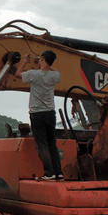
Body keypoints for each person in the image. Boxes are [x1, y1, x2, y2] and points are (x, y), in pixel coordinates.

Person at [15, 50, 64, 180]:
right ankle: (58, 172)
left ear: (42, 58)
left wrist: (25, 62)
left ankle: (49, 173)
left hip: (37, 114)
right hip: (50, 114)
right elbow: (53, 71)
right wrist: (45, 63)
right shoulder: (55, 76)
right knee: (52, 143)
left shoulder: (33, 74)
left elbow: (17, 74)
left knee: (42, 144)